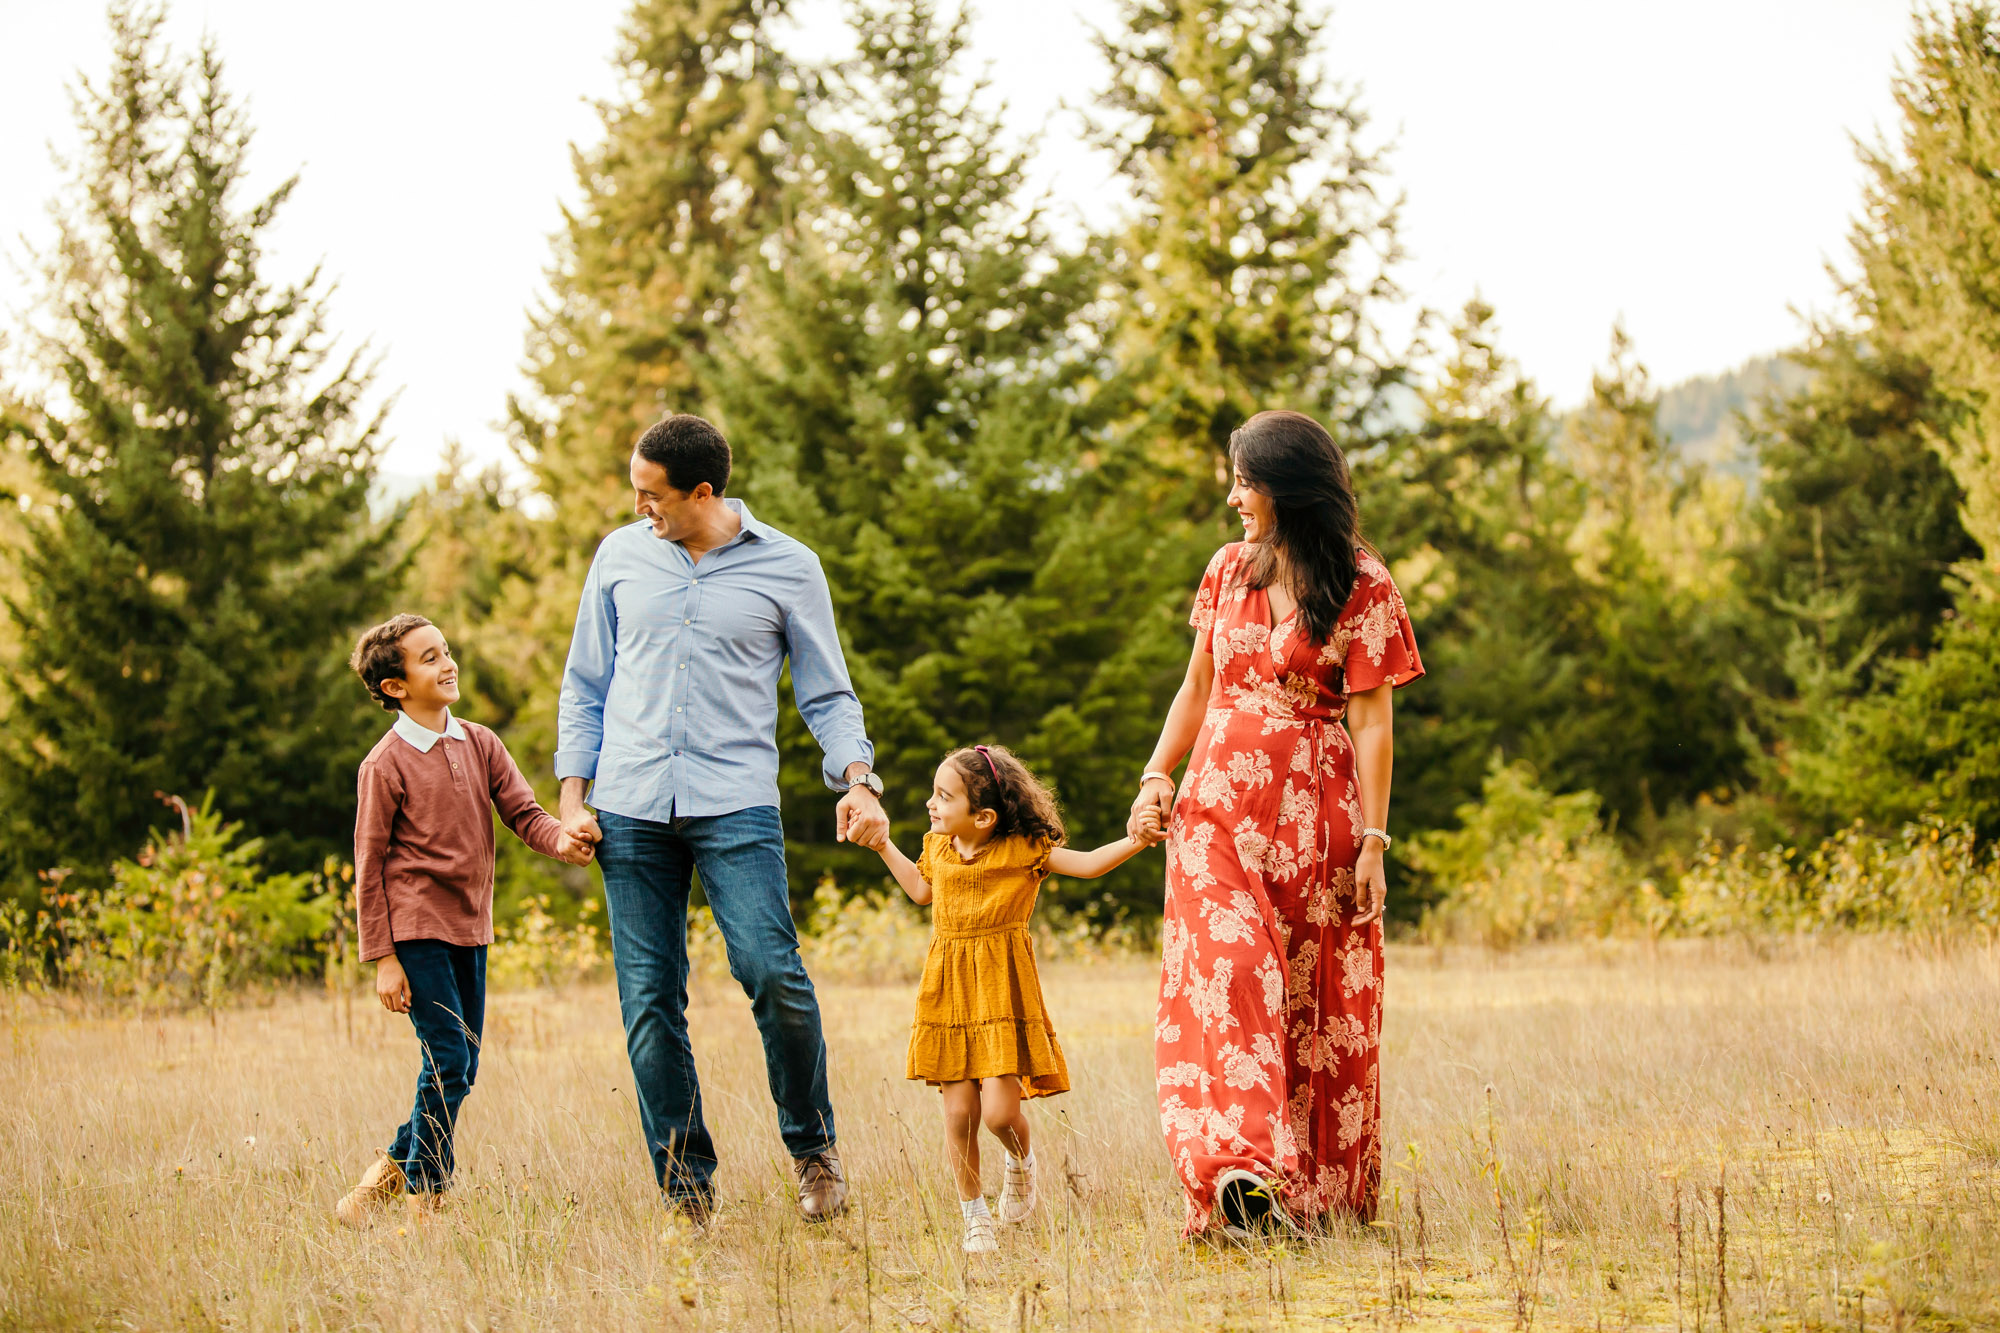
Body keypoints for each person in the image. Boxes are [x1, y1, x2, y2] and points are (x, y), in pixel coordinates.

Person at [555, 413, 891, 1227]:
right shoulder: (619, 556)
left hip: (735, 802)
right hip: (630, 808)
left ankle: (813, 1149)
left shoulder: (789, 566)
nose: (641, 508)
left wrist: (858, 777)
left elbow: (826, 691)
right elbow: (584, 684)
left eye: (653, 496)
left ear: (703, 492)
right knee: (648, 999)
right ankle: (685, 1186)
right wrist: (572, 798)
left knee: (774, 975)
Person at [1127, 410, 1424, 1241]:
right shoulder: (1228, 571)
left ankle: (1309, 1196)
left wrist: (1373, 840)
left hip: (1314, 823)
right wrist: (1155, 774)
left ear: (1285, 489)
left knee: (1308, 1001)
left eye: (1243, 481)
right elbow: (1196, 688)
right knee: (1229, 981)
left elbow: (1372, 722)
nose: (1232, 498)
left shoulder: (1362, 583)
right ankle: (1242, 1172)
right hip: (1214, 813)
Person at [334, 614, 595, 1228]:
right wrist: (383, 959)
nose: (447, 663)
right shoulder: (385, 763)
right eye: (428, 658)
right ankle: (429, 1195)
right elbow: (368, 867)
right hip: (415, 930)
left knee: (462, 1062)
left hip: (471, 927)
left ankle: (388, 1170)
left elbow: (525, 813)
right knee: (449, 1059)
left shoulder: (480, 743)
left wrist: (562, 840)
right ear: (395, 686)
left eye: (445, 651)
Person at [853, 744, 1162, 1253]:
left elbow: (1086, 865)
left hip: (1001, 989)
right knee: (958, 1116)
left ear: (984, 815)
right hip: (949, 989)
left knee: (998, 1114)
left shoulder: (1023, 851)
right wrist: (883, 845)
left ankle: (1021, 1162)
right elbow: (920, 891)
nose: (931, 804)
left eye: (943, 796)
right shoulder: (938, 847)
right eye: (934, 793)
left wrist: (1136, 840)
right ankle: (974, 1216)